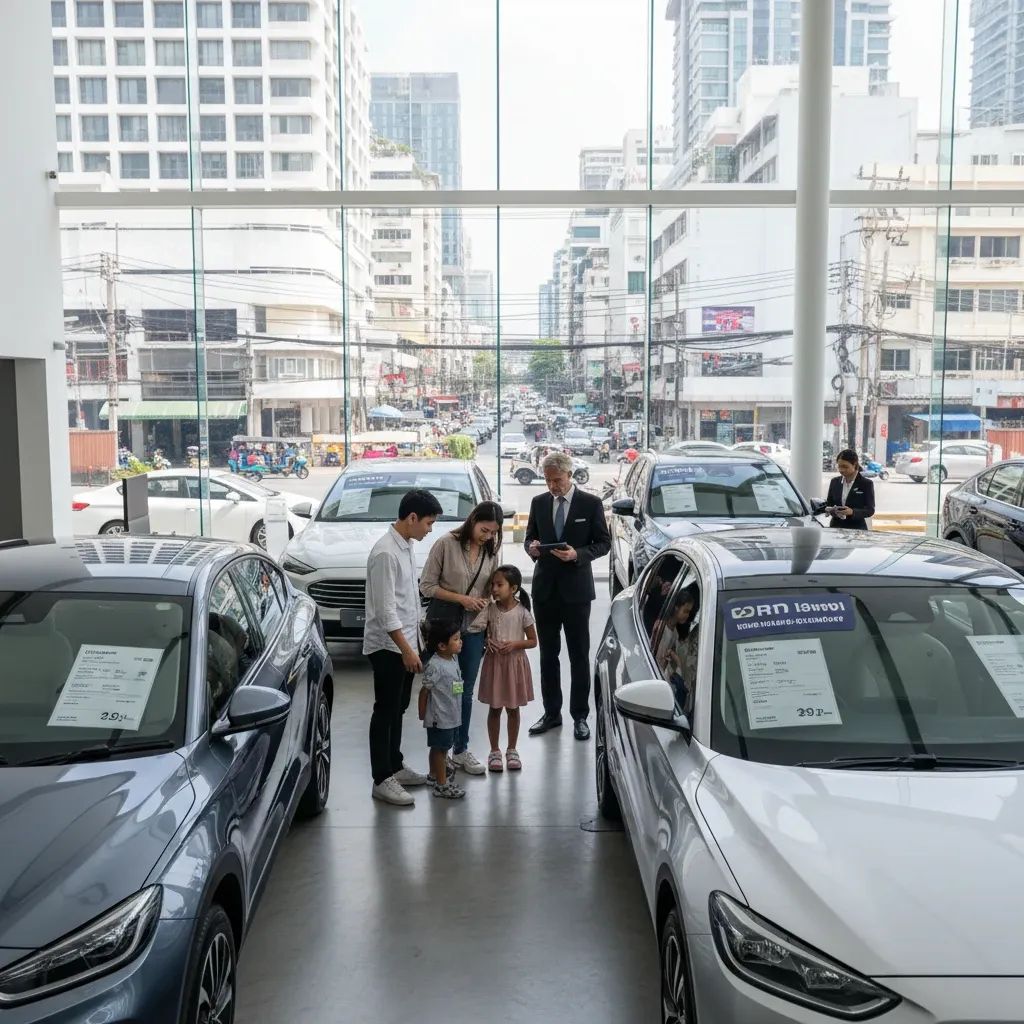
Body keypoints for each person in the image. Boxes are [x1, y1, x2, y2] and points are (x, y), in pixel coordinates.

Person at [364, 488, 444, 806]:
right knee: (385, 710)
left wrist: (417, 644)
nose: (429, 529)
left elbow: (408, 600)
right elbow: (385, 611)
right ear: (411, 518)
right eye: (428, 522)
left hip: (407, 643)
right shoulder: (385, 552)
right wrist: (407, 650)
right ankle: (381, 778)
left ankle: (395, 766)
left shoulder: (405, 546)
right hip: (388, 647)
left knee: (399, 708)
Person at [525, 451, 611, 740]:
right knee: (548, 656)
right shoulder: (538, 503)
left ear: (569, 475)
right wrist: (532, 548)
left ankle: (580, 716)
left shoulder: (591, 503)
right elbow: (529, 538)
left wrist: (578, 554)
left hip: (576, 592)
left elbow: (603, 543)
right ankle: (551, 713)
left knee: (578, 655)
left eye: (557, 480)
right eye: (548, 481)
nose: (553, 486)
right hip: (545, 591)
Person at [419, 501, 505, 776]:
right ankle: (440, 753)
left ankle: (461, 749)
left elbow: (492, 594)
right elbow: (427, 585)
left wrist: (491, 628)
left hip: (474, 629)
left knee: (464, 691)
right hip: (444, 628)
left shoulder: (491, 551)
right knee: (442, 688)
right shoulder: (446, 544)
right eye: (484, 529)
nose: (488, 536)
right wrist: (462, 599)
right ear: (472, 520)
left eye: (493, 532)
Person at [472, 565, 537, 772]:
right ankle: (494, 751)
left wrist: (514, 644)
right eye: (493, 584)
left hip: (514, 665)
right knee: (494, 708)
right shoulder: (489, 609)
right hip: (495, 665)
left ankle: (512, 749)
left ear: (514, 588)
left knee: (513, 708)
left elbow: (533, 641)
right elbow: (477, 629)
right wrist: (486, 641)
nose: (494, 589)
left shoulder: (523, 612)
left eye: (499, 585)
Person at [417, 620, 467, 800]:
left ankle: (434, 776)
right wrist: (422, 713)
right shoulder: (435, 665)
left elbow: (456, 684)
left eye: (459, 638)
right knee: (441, 750)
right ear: (441, 645)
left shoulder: (452, 659)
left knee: (440, 748)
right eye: (456, 639)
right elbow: (424, 691)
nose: (460, 642)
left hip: (451, 714)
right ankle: (442, 785)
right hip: (440, 717)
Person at [654, 585, 699, 716]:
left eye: (689, 612)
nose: (687, 615)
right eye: (685, 611)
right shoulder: (662, 629)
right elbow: (658, 663)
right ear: (676, 607)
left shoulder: (674, 632)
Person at [825, 448, 875, 530]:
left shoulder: (866, 484)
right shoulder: (834, 482)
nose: (841, 470)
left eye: (845, 466)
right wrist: (831, 510)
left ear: (854, 464)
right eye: (839, 466)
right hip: (835, 528)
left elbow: (870, 510)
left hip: (856, 530)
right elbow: (829, 503)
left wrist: (852, 512)